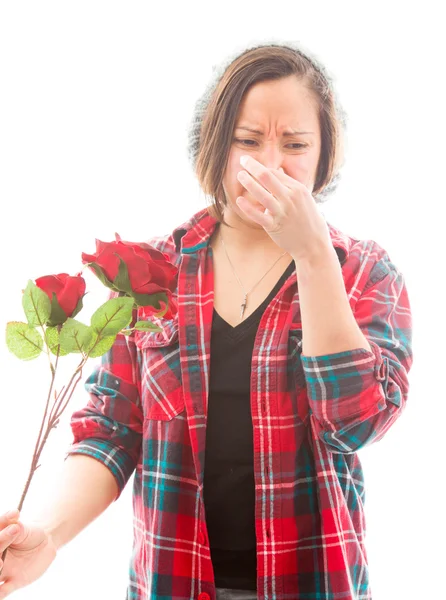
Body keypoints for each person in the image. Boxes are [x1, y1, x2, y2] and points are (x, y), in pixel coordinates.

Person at [0, 39, 413, 600]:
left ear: (323, 156)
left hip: (315, 582)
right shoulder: (154, 272)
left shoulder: (362, 270)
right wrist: (46, 534)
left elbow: (356, 424)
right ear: (214, 145)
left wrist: (313, 257)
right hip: (172, 581)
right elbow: (112, 431)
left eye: (295, 144)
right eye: (247, 141)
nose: (269, 166)